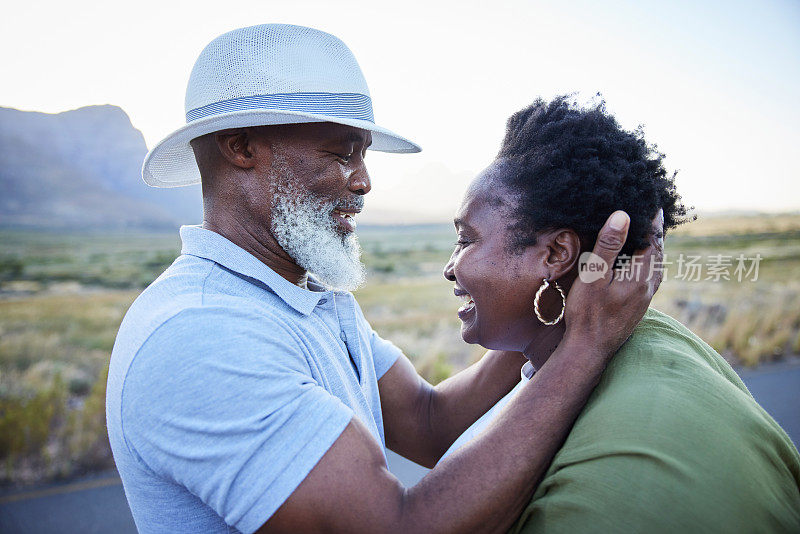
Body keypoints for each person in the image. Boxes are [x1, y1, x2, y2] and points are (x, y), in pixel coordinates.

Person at [105, 25, 661, 533]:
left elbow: (430, 420)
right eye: (341, 152)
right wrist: (585, 347)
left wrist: (560, 297)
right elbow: (396, 527)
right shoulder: (199, 335)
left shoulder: (309, 298)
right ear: (243, 146)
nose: (364, 182)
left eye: (364, 154)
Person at [439, 96, 800, 532]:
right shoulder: (645, 343)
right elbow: (428, 421)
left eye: (465, 240)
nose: (449, 267)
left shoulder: (619, 496)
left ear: (556, 253)